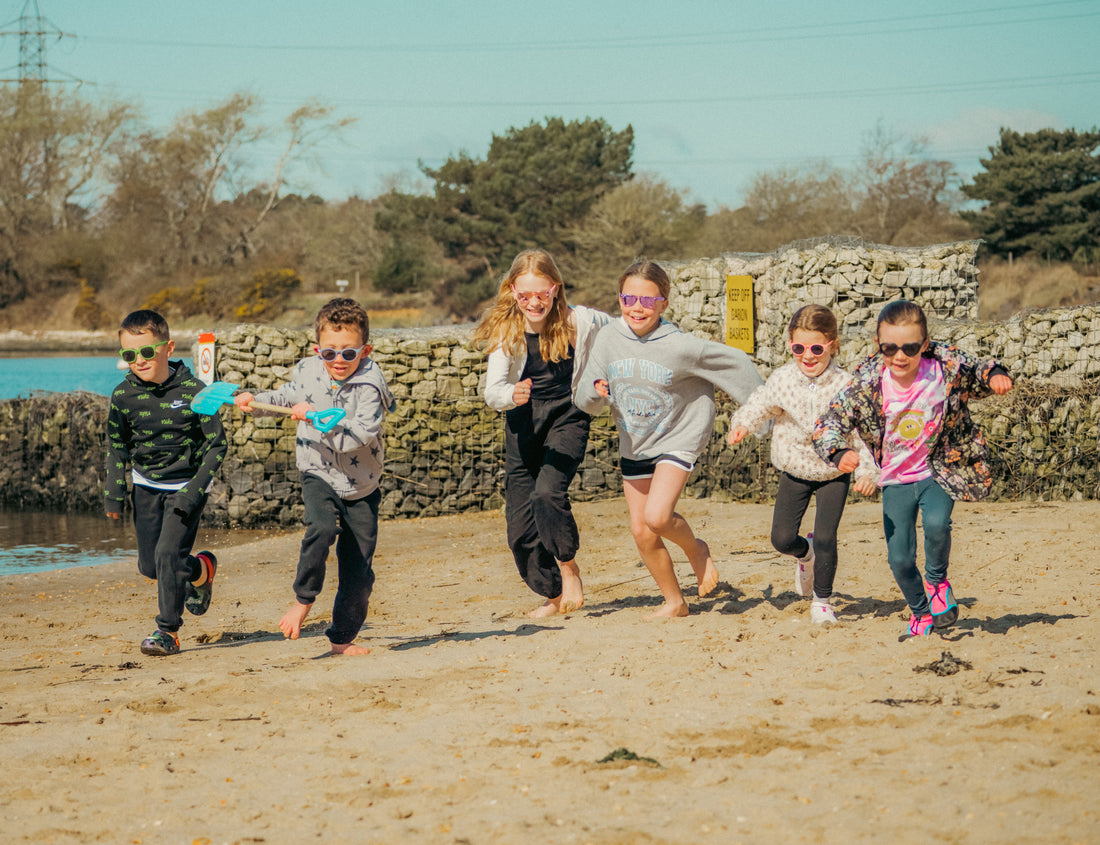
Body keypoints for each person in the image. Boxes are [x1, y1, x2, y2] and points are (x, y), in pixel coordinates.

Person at [812, 300, 1013, 639]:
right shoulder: (867, 382)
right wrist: (838, 451)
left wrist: (994, 376)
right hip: (894, 480)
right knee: (900, 558)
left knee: (937, 523)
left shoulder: (943, 365)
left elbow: (977, 369)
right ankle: (920, 612)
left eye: (909, 347)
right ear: (879, 345)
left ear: (924, 343)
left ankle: (937, 582)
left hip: (937, 469)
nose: (899, 356)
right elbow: (828, 421)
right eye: (890, 348)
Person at [575, 260, 764, 617]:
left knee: (659, 517)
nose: (636, 308)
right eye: (629, 298)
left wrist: (766, 417)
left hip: (679, 436)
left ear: (664, 302)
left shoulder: (681, 346)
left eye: (647, 300)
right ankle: (675, 602)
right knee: (642, 531)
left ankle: (696, 550)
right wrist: (596, 392)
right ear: (619, 299)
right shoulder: (607, 339)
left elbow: (736, 363)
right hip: (635, 442)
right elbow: (584, 396)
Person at [234, 298, 395, 655]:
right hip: (317, 471)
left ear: (365, 350)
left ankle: (341, 640)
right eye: (329, 353)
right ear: (316, 349)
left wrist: (314, 419)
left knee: (359, 575)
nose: (338, 361)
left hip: (361, 485)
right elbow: (288, 397)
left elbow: (359, 437)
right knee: (321, 528)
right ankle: (303, 599)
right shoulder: (307, 370)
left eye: (349, 353)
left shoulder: (370, 387)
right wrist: (253, 401)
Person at [476, 248, 611, 618]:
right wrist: (511, 394)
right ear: (512, 291)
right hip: (522, 424)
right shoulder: (508, 331)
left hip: (569, 416)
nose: (534, 302)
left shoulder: (580, 321)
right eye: (525, 295)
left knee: (547, 493)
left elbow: (624, 331)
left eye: (542, 294)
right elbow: (492, 391)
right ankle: (553, 594)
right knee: (518, 532)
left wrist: (604, 379)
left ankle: (569, 567)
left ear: (555, 289)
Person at [728, 304, 878, 624]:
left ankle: (822, 601)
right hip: (794, 467)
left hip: (834, 471)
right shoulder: (783, 379)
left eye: (816, 348)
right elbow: (760, 403)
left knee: (826, 537)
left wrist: (867, 470)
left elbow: (863, 432)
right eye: (798, 348)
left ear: (833, 345)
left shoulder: (846, 386)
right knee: (781, 539)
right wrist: (743, 423)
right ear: (790, 345)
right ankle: (804, 554)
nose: (807, 356)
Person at [105, 309, 227, 656]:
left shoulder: (195, 391)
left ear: (168, 348)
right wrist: (114, 493)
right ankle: (201, 570)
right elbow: (116, 445)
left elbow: (217, 444)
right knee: (151, 566)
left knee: (166, 554)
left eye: (146, 351)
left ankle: (167, 632)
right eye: (129, 355)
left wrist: (195, 489)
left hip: (186, 489)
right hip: (145, 487)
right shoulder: (122, 396)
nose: (138, 360)